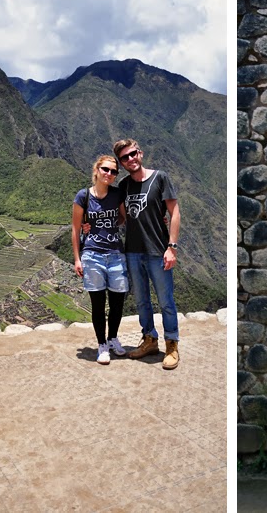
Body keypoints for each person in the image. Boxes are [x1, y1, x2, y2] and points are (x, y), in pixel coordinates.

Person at [113, 138, 181, 370]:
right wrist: (92, 224)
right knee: (142, 301)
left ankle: (171, 344)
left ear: (140, 153)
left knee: (166, 301)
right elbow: (123, 218)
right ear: (121, 163)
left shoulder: (160, 178)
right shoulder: (124, 186)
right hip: (133, 251)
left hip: (157, 250)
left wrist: (171, 247)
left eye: (133, 154)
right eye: (125, 157)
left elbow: (174, 212)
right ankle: (149, 339)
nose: (130, 159)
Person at [72, 154, 129, 365]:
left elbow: (123, 218)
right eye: (106, 169)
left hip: (115, 254)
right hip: (92, 255)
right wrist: (77, 258)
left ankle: (113, 338)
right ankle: (102, 344)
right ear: (96, 170)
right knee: (98, 304)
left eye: (114, 171)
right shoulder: (83, 197)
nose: (110, 174)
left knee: (117, 302)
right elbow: (76, 228)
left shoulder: (117, 195)